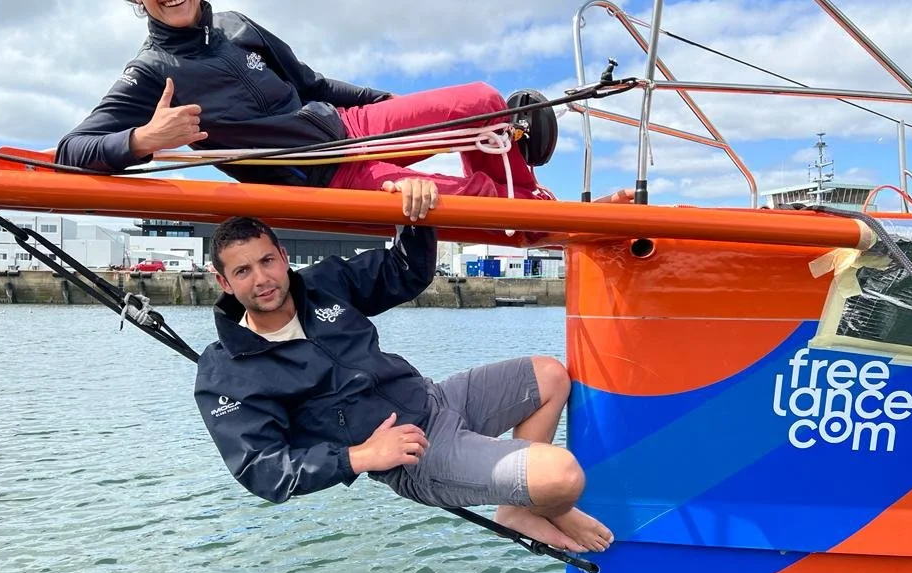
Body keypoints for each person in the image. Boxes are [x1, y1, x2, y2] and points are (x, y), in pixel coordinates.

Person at [193, 208, 614, 554]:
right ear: (224, 282)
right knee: (563, 477)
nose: (262, 279)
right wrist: (359, 456)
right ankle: (544, 501)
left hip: (436, 398)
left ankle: (521, 505)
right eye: (243, 271)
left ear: (283, 257)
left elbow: (405, 272)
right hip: (415, 451)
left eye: (267, 261)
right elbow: (263, 469)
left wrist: (412, 215)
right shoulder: (227, 369)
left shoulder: (321, 285)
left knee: (550, 375)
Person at [55, 0, 555, 205]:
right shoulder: (150, 71)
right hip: (326, 174)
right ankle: (527, 220)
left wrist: (417, 113)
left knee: (482, 104)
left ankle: (532, 204)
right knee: (478, 197)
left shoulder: (235, 25)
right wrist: (145, 139)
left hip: (352, 124)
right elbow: (70, 152)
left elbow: (312, 84)